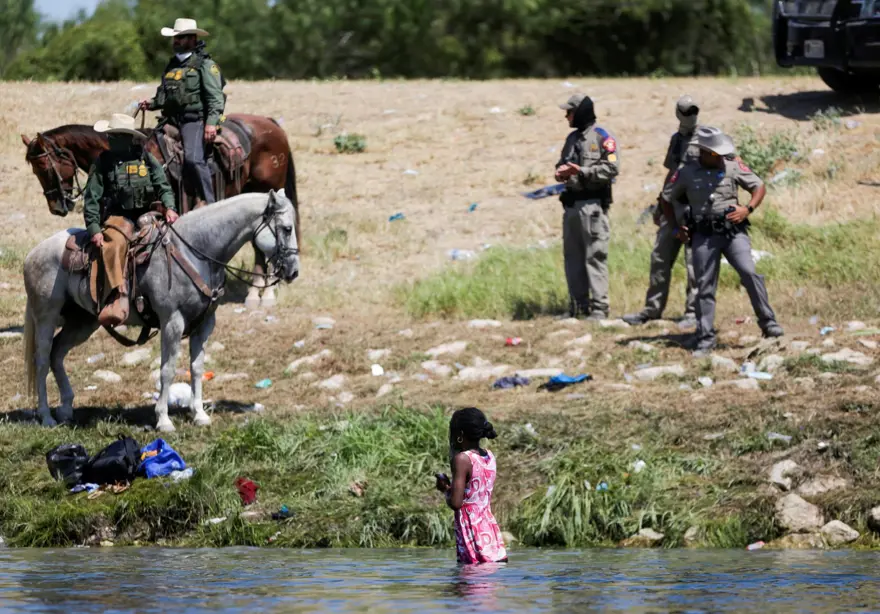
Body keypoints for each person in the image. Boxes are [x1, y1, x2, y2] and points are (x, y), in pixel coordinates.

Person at [660, 126, 784, 356]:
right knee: (704, 285)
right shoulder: (686, 171)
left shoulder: (732, 164)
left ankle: (769, 324)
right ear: (705, 152)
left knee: (749, 273)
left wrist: (747, 209)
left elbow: (759, 186)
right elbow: (666, 198)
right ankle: (705, 338)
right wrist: (677, 228)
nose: (720, 158)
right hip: (703, 235)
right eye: (715, 154)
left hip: (733, 232)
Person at [83, 114, 178, 326]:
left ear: (128, 138)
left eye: (117, 135)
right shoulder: (103, 162)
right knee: (114, 244)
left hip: (147, 213)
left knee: (170, 240)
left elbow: (162, 185)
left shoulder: (145, 158)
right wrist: (94, 228)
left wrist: (170, 207)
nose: (111, 138)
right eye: (111, 135)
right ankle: (118, 294)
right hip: (118, 216)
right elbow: (91, 197)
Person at [624, 95, 701, 326]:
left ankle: (693, 312)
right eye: (686, 112)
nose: (689, 116)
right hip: (673, 205)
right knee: (660, 257)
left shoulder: (706, 139)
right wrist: (660, 203)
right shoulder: (677, 140)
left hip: (695, 208)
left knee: (693, 262)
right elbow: (671, 172)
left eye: (692, 111)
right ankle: (652, 309)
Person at [139, 18, 225, 205]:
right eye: (175, 38)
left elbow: (215, 97)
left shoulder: (205, 64)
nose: (176, 41)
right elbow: (163, 96)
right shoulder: (172, 65)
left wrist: (211, 123)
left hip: (195, 121)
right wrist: (151, 104)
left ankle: (211, 203)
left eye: (181, 37)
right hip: (170, 121)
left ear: (193, 39)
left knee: (194, 159)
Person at [554, 94, 620, 320]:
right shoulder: (571, 138)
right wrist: (561, 172)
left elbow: (612, 169)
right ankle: (578, 306)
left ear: (580, 112)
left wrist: (582, 172)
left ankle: (600, 309)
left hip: (593, 207)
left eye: (570, 112)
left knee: (595, 256)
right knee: (572, 257)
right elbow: (562, 164)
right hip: (571, 206)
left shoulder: (603, 137)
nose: (566, 116)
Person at [435, 407, 508, 565]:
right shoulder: (489, 455)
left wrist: (445, 489)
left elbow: (456, 503)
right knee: (489, 580)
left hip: (472, 532)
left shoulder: (462, 459)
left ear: (460, 435)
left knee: (470, 584)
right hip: (489, 531)